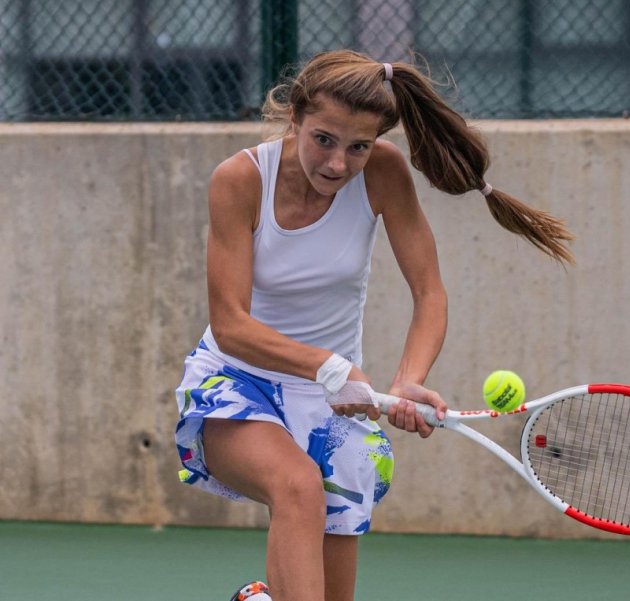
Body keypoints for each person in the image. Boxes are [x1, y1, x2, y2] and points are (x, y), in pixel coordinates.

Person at [174, 49, 574, 601]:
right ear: (295, 117)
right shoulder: (240, 180)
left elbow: (429, 292)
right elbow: (230, 326)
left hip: (334, 403)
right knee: (298, 486)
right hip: (238, 382)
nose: (338, 164)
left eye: (358, 146)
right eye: (324, 139)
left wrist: (409, 379)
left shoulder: (383, 172)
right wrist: (331, 367)